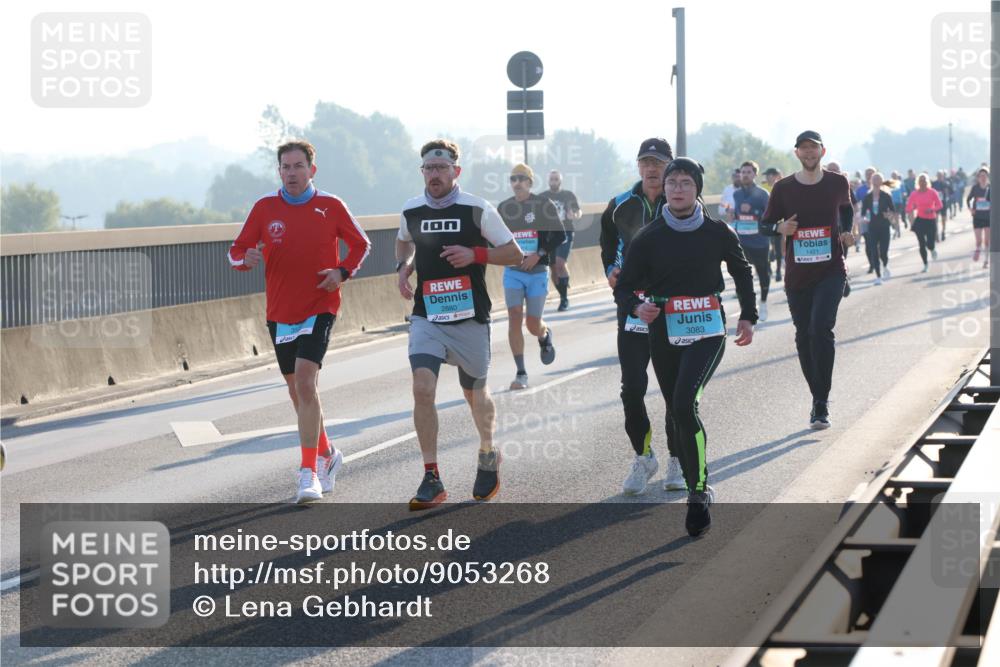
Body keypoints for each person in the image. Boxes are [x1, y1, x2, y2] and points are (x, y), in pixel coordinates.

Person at [615, 157, 756, 537]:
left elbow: (742, 270)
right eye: (672, 182)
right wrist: (636, 306)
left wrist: (748, 315)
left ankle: (698, 491)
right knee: (676, 408)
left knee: (683, 403)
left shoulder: (718, 231)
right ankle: (688, 472)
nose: (678, 189)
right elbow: (625, 286)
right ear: (666, 189)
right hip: (664, 330)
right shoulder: (649, 236)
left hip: (708, 328)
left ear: (697, 189)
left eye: (686, 183)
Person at [229, 139, 371, 504]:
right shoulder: (265, 208)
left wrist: (341, 272)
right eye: (285, 167)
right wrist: (248, 259)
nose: (292, 173)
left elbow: (361, 245)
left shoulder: (330, 206)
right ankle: (327, 453)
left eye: (298, 166)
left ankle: (309, 472)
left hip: (319, 304)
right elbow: (235, 252)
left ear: (312, 170)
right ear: (279, 171)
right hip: (280, 311)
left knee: (306, 382)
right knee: (297, 391)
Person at [396, 139, 523, 510]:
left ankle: (487, 453)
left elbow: (514, 253)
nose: (434, 175)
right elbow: (404, 242)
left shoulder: (477, 209)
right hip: (427, 316)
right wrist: (403, 269)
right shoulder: (411, 210)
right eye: (428, 169)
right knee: (423, 387)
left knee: (474, 395)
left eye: (441, 168)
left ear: (456, 172)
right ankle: (432, 477)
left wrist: (475, 254)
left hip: (470, 319)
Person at [600, 137, 683, 494]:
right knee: (631, 388)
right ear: (638, 166)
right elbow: (607, 249)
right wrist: (610, 272)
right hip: (633, 306)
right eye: (645, 162)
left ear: (670, 166)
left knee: (674, 391)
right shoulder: (620, 205)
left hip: (674, 309)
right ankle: (644, 456)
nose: (651, 169)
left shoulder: (682, 201)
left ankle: (678, 460)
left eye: (658, 162)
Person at [759, 130, 855, 430]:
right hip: (797, 275)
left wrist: (846, 231)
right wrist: (779, 228)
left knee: (820, 328)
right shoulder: (783, 188)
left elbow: (847, 208)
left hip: (831, 270)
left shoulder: (837, 182)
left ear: (822, 152)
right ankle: (817, 395)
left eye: (814, 148)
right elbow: (763, 226)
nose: (809, 153)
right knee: (803, 335)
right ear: (797, 153)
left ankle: (821, 403)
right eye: (804, 149)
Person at [498, 164, 565, 389]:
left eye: (521, 178)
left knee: (532, 323)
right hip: (513, 272)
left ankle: (544, 335)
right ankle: (521, 373)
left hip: (537, 271)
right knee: (514, 315)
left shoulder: (543, 205)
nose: (517, 182)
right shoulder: (504, 208)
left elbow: (559, 235)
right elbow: (494, 237)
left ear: (530, 182)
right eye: (513, 179)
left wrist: (539, 255)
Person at [729, 160, 773, 321]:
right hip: (742, 241)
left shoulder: (763, 194)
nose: (745, 175)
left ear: (754, 174)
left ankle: (763, 302)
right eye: (743, 172)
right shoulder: (736, 194)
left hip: (760, 241)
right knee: (742, 275)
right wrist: (734, 216)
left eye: (748, 172)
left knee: (763, 273)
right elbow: (737, 214)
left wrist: (756, 214)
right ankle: (747, 308)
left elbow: (769, 216)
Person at [539, 170, 582, 311]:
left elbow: (578, 211)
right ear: (548, 180)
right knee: (553, 268)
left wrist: (574, 215)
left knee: (560, 263)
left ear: (560, 181)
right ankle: (562, 292)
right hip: (549, 235)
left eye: (556, 179)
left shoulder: (568, 195)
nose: (554, 181)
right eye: (551, 179)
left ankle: (564, 299)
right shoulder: (542, 197)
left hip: (566, 232)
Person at [860, 172, 895, 284]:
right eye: (874, 179)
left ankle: (885, 265)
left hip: (884, 226)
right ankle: (878, 276)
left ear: (881, 181)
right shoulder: (867, 197)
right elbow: (863, 213)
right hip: (872, 228)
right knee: (874, 251)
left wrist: (888, 215)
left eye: (878, 179)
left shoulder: (886, 196)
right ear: (871, 181)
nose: (876, 181)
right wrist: (864, 218)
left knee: (883, 251)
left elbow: (893, 211)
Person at [905, 173, 943, 273]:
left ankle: (932, 249)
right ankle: (925, 264)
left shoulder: (932, 192)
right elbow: (908, 207)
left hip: (931, 220)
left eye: (925, 181)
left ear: (927, 182)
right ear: (918, 183)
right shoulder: (914, 194)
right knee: (921, 244)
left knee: (930, 244)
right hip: (920, 220)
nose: (923, 183)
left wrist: (932, 209)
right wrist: (911, 210)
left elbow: (939, 205)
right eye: (921, 181)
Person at [763, 167, 785, 281]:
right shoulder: (763, 187)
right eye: (766, 175)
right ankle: (768, 268)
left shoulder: (783, 187)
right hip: (766, 223)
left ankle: (778, 272)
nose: (766, 177)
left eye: (769, 175)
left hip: (779, 222)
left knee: (777, 248)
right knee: (767, 247)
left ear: (775, 175)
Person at [967, 167, 991, 268]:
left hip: (988, 217)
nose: (983, 178)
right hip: (977, 217)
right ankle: (977, 250)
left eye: (984, 176)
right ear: (978, 178)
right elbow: (968, 200)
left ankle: (986, 260)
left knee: (987, 240)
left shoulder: (991, 188)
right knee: (978, 240)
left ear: (987, 177)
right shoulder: (975, 188)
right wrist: (970, 209)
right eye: (981, 176)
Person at [932, 171, 952, 241]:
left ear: (943, 176)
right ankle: (936, 234)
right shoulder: (933, 184)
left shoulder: (946, 183)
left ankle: (943, 231)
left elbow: (951, 191)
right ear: (936, 176)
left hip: (943, 203)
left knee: (943, 219)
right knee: (935, 219)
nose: (939, 176)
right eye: (938, 175)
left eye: (941, 175)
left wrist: (948, 195)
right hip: (936, 204)